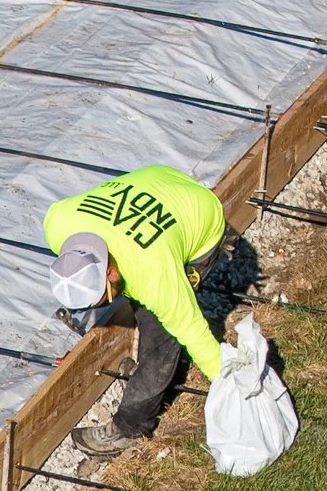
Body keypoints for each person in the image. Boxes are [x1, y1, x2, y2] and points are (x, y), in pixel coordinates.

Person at [44, 164, 229, 458]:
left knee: (162, 333)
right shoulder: (57, 223)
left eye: (100, 300)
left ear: (112, 272)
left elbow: (193, 332)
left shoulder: (153, 273)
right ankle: (151, 377)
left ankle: (131, 426)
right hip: (159, 182)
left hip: (201, 215)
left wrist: (235, 390)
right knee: (146, 301)